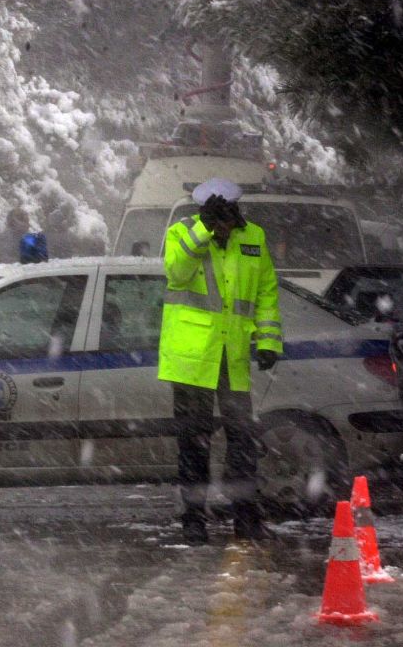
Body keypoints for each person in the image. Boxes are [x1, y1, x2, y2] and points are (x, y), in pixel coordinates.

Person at [158, 178, 283, 545]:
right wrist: (204, 230)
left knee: (242, 441)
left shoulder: (253, 237)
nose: (227, 226)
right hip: (193, 357)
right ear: (205, 214)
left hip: (234, 356)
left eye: (230, 217)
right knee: (194, 443)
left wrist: (269, 340)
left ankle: (246, 518)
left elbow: (265, 293)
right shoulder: (183, 233)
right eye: (219, 219)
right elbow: (177, 272)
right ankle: (194, 519)